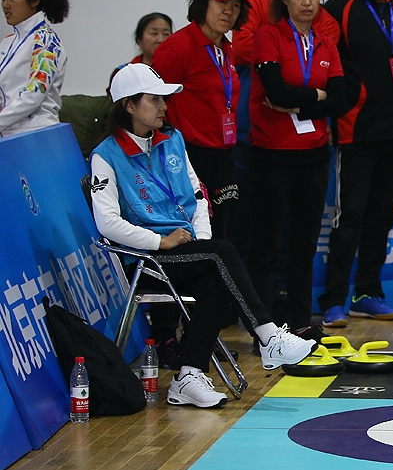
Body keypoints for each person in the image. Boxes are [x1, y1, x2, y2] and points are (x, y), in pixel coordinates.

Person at [90, 64, 316, 407]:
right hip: (145, 260)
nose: (165, 106)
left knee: (215, 278)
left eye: (165, 99)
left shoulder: (172, 139)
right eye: (155, 100)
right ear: (129, 106)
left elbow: (197, 195)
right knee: (221, 254)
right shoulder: (105, 155)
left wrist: (199, 240)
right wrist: (159, 242)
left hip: (186, 249)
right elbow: (106, 223)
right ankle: (269, 337)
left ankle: (187, 375)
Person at [246, 0, 352, 341]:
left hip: (313, 154)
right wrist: (315, 97)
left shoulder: (326, 43)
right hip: (272, 153)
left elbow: (340, 100)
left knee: (304, 245)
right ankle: (265, 328)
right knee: (266, 246)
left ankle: (302, 322)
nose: (307, 2)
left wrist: (301, 103)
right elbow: (275, 92)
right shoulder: (268, 37)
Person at [319, 0, 393, 326]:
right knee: (349, 218)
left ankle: (368, 292)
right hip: (356, 132)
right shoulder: (339, 11)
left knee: (381, 218)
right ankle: (334, 298)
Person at [152, 0, 251, 241]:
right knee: (198, 236)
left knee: (224, 235)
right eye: (221, 3)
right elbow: (154, 104)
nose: (228, 12)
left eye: (235, 6)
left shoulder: (226, 48)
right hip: (188, 157)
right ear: (202, 3)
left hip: (224, 153)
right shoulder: (178, 47)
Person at [0, 0, 69, 137]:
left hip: (37, 134)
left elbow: (34, 95)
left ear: (34, 0)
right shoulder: (8, 41)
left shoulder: (46, 41)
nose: (6, 4)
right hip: (8, 134)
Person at [109, 13, 172, 90]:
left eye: (166, 34)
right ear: (139, 40)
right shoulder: (123, 73)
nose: (161, 40)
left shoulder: (179, 71)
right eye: (154, 34)